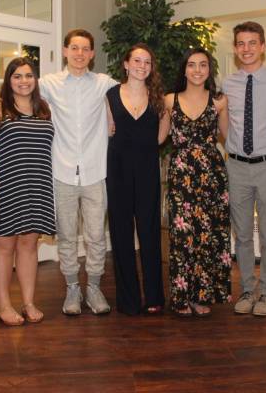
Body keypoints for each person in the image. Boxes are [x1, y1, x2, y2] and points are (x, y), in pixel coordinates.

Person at [39, 29, 117, 315]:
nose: (80, 53)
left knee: (96, 235)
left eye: (85, 49)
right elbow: (16, 95)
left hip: (95, 172)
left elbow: (131, 95)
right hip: (62, 172)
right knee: (67, 234)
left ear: (92, 54)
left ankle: (94, 288)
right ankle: (72, 287)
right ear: (64, 50)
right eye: (74, 48)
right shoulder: (48, 84)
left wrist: (111, 118)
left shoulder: (104, 83)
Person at [0, 57, 55, 325]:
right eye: (17, 76)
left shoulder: (43, 108)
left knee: (29, 245)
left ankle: (28, 302)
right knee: (4, 247)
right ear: (8, 81)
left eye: (28, 76)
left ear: (35, 80)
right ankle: (2, 305)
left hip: (39, 185)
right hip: (7, 187)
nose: (24, 81)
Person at [159, 48, 232, 317]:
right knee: (182, 236)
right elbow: (159, 137)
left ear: (209, 70)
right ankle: (181, 297)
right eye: (192, 65)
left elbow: (226, 136)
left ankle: (201, 295)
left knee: (207, 236)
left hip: (212, 174)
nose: (197, 70)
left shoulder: (219, 101)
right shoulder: (169, 100)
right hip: (180, 173)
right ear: (184, 69)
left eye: (203, 65)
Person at [223, 21, 266, 317]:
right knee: (243, 234)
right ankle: (248, 289)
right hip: (236, 166)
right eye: (241, 44)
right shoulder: (226, 85)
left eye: (252, 43)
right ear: (235, 49)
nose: (246, 49)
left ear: (262, 46)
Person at [105, 43, 165, 315]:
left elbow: (162, 136)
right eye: (137, 61)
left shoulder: (159, 98)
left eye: (147, 62)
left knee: (150, 232)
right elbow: (107, 131)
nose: (142, 66)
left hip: (147, 171)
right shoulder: (110, 95)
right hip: (117, 172)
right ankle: (128, 299)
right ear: (126, 64)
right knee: (121, 235)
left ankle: (154, 297)